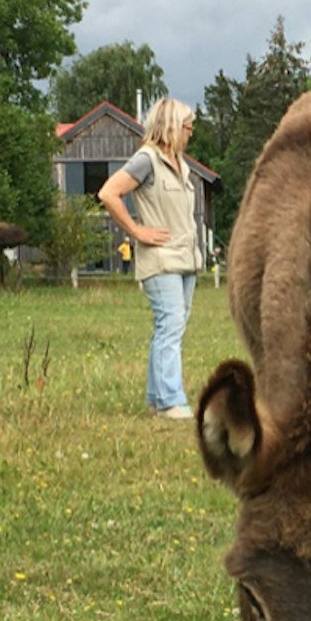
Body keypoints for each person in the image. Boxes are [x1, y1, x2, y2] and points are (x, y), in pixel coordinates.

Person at [98, 98, 205, 419]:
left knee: (172, 327)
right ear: (172, 126)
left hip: (185, 258)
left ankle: (158, 398)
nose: (190, 133)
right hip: (160, 260)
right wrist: (136, 231)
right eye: (188, 127)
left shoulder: (181, 164)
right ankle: (170, 400)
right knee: (170, 324)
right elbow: (108, 193)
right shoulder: (146, 160)